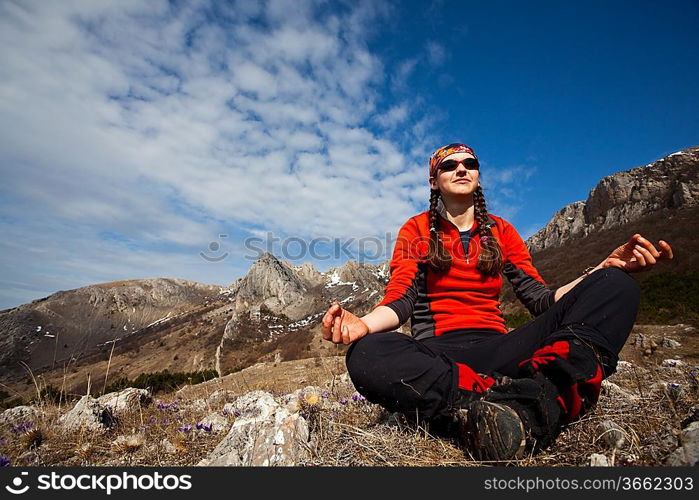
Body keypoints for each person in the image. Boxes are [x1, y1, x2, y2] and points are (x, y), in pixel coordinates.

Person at [321, 143, 674, 462]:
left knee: (617, 285)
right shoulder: (416, 230)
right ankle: (516, 400)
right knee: (367, 353)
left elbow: (541, 300)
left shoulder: (501, 231)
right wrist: (364, 326)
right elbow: (401, 299)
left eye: (470, 163)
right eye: (450, 165)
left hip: (503, 347)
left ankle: (529, 405)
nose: (462, 169)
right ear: (434, 181)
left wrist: (601, 269)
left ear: (477, 174)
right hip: (444, 357)